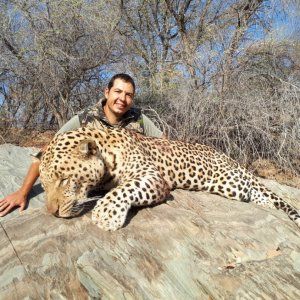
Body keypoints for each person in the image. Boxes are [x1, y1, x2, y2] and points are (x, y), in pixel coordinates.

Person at [0, 73, 165, 217]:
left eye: (129, 95)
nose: (122, 99)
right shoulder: (85, 118)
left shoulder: (139, 118)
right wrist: (23, 192)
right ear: (107, 92)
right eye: (118, 92)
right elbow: (47, 152)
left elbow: (164, 144)